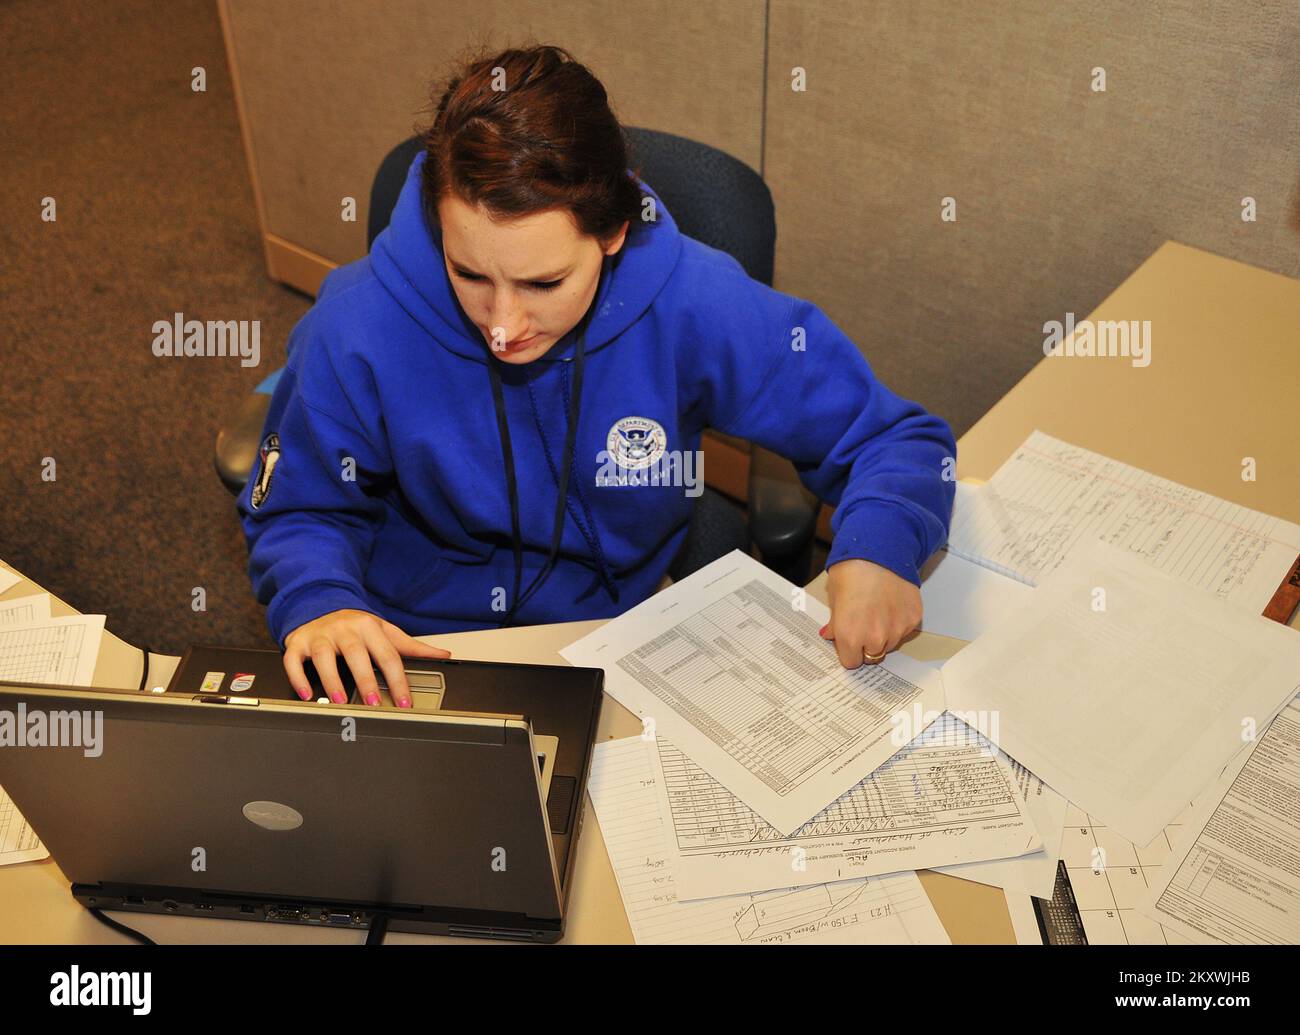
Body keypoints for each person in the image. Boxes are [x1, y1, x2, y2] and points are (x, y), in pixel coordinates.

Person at [238, 44, 957, 709]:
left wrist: (878, 549)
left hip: (618, 638)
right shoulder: (358, 322)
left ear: (613, 234)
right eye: (469, 273)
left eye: (544, 282)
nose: (502, 323)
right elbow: (300, 506)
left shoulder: (690, 300)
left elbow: (896, 440)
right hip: (413, 647)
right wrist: (320, 599)